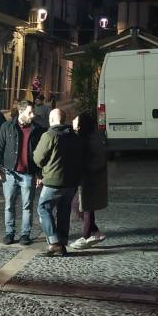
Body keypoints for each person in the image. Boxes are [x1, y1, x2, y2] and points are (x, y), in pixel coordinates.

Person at [0, 100, 44, 246]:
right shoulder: (7, 126)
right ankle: (9, 233)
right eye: (29, 112)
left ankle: (25, 235)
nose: (32, 115)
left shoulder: (37, 129)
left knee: (27, 205)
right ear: (21, 112)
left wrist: (39, 174)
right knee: (9, 204)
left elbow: (41, 154)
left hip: (28, 174)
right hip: (9, 173)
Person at [33, 108, 83, 256]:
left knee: (43, 208)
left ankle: (54, 242)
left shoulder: (49, 135)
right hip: (71, 182)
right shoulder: (74, 136)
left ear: (52, 119)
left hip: (54, 182)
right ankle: (62, 242)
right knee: (64, 211)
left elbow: (38, 158)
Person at [69, 113, 108, 250]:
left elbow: (91, 161)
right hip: (91, 179)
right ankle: (95, 232)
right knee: (80, 206)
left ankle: (86, 237)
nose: (73, 120)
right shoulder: (91, 136)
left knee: (84, 207)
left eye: (76, 118)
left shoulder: (87, 140)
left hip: (89, 180)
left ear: (81, 124)